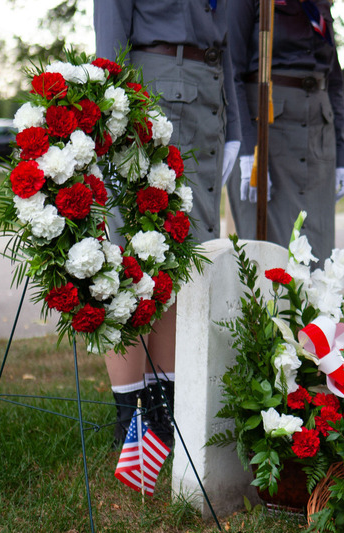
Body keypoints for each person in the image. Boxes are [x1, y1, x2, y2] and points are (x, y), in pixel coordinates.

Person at [94, 0, 241, 448]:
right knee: (135, 262)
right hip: (152, 93)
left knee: (184, 258)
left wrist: (233, 120)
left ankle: (168, 416)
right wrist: (112, 111)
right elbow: (111, 27)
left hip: (207, 93)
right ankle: (130, 423)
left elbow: (225, 40)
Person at [227, 0, 344, 266]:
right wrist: (248, 151)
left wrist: (342, 157)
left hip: (319, 133)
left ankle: (318, 309)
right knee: (271, 257)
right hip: (268, 135)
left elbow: (335, 82)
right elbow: (231, 73)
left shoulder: (319, 4)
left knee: (319, 252)